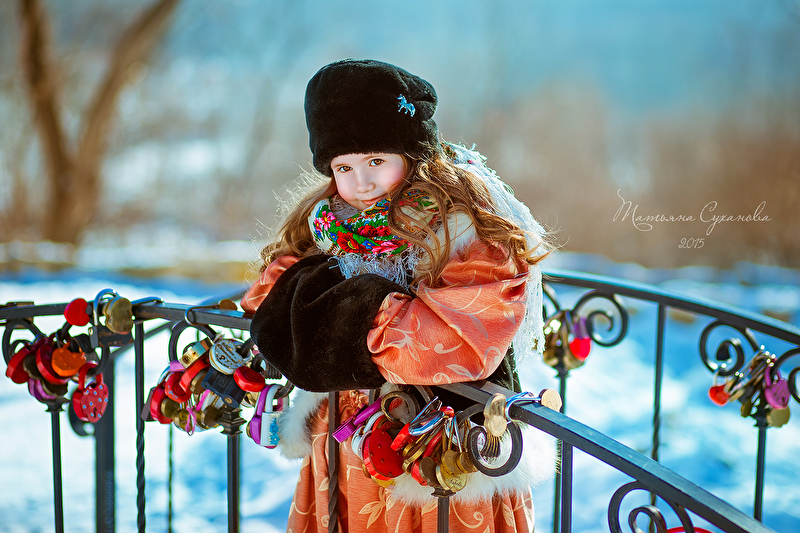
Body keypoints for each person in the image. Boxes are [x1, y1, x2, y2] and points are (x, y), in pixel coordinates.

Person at [242, 59, 555, 533]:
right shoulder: (329, 221)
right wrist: (312, 298)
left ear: (412, 154)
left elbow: (458, 339)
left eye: (375, 161)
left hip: (438, 445)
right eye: (343, 167)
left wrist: (344, 311)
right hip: (346, 438)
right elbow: (268, 298)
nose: (361, 183)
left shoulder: (461, 228)